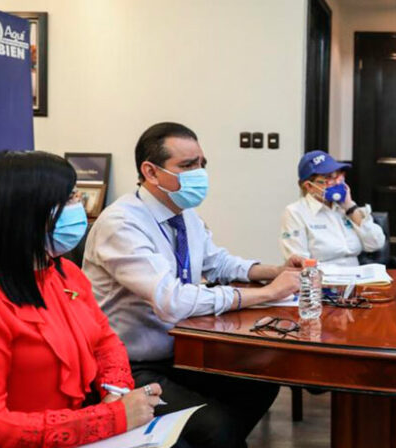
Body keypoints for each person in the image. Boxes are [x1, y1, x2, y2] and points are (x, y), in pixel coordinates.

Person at [82, 122, 301, 448]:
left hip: (181, 352)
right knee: (217, 426)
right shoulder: (122, 223)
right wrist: (268, 293)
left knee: (260, 383)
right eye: (187, 165)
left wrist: (276, 270)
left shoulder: (184, 214)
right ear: (151, 172)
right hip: (129, 366)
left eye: (201, 164)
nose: (199, 174)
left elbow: (218, 262)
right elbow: (171, 300)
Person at [0, 151, 162, 448]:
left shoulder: (65, 273)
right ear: (25, 212)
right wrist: (110, 418)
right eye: (70, 198)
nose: (80, 206)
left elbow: (105, 342)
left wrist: (114, 392)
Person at [280, 150, 386, 267]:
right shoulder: (295, 212)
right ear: (309, 186)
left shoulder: (345, 207)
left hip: (356, 275)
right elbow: (299, 263)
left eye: (339, 175)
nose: (337, 182)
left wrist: (350, 207)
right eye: (329, 177)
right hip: (322, 277)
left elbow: (376, 243)